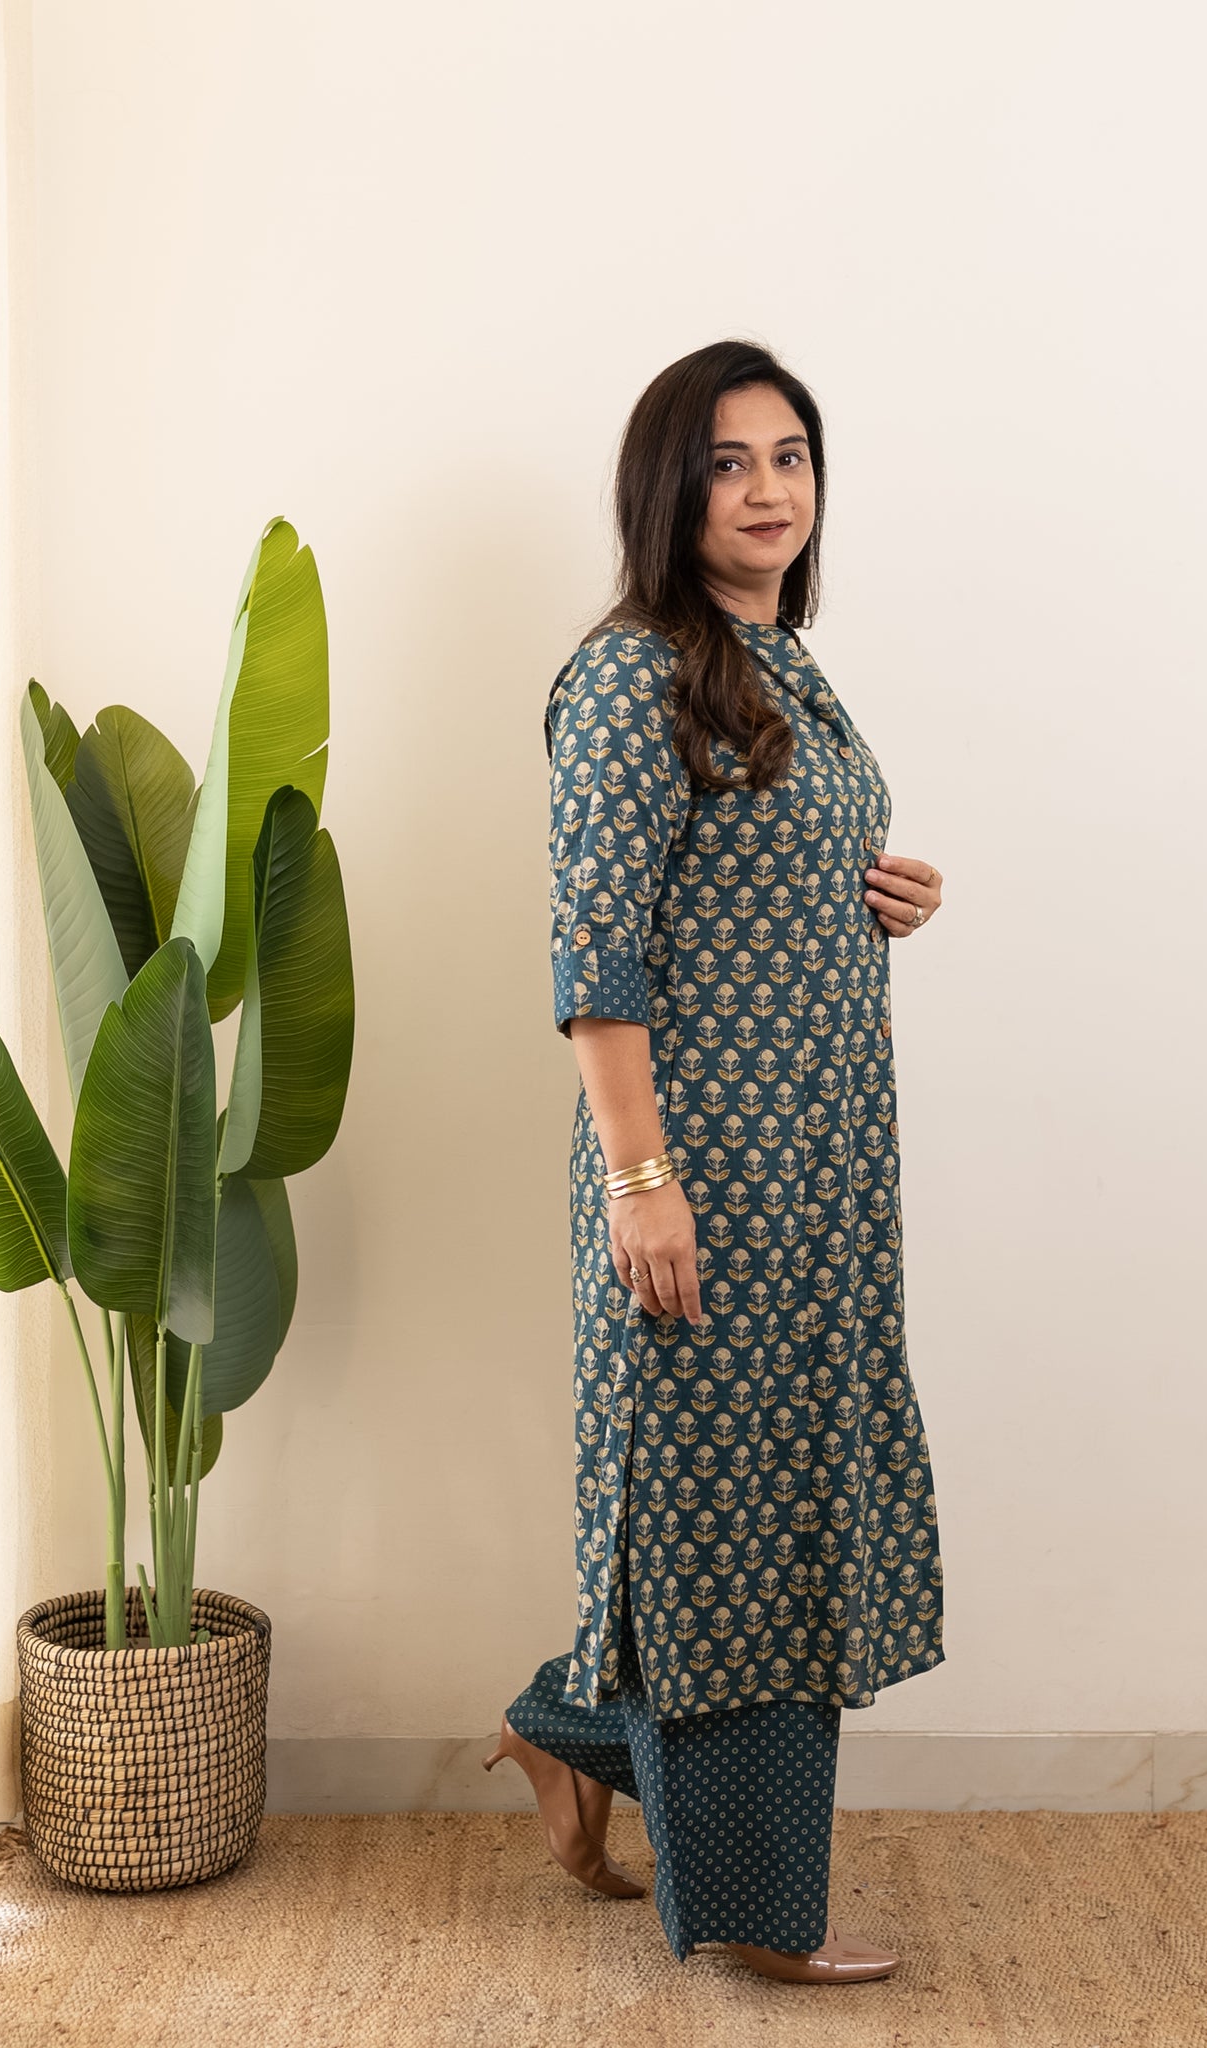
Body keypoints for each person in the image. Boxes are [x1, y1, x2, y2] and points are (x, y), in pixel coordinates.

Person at [484, 338, 946, 1983]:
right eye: (729, 461)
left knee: (781, 1497)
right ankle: (754, 1909)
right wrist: (640, 1179)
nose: (766, 490)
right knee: (721, 1521)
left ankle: (563, 1730)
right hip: (698, 1177)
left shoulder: (781, 661)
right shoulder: (630, 676)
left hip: (819, 1177)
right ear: (667, 490)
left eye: (790, 456)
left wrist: (881, 891)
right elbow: (597, 947)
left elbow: (744, 878)